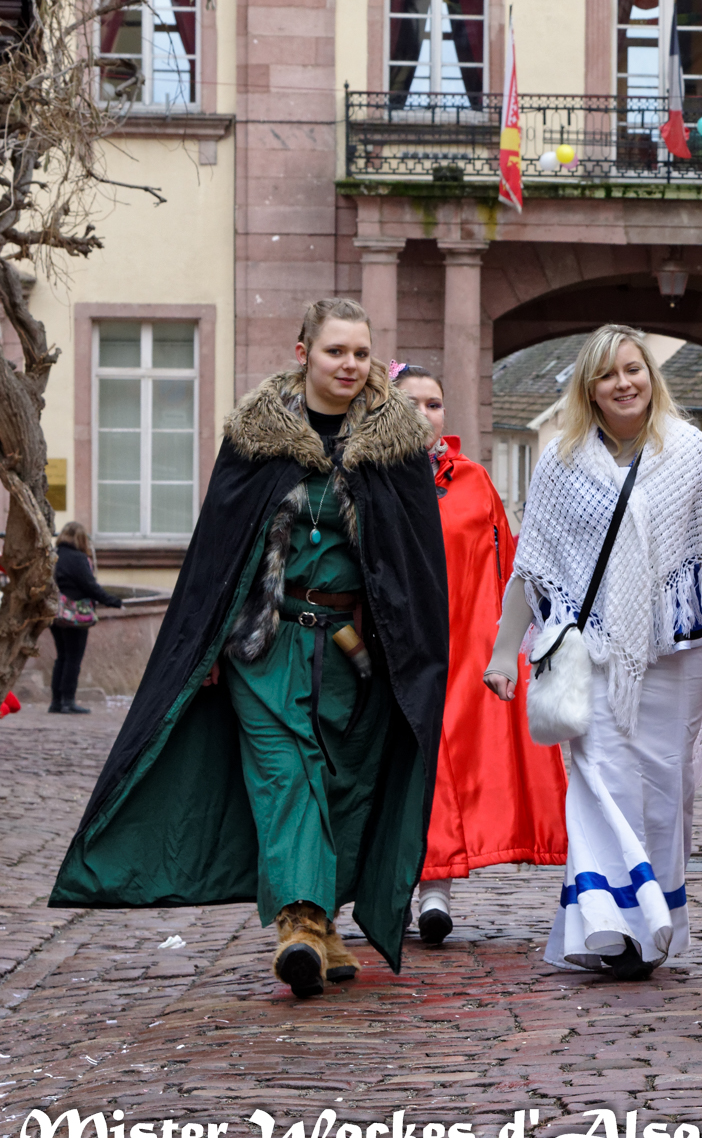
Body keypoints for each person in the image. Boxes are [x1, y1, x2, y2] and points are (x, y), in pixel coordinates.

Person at [51, 298, 448, 998]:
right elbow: (216, 552)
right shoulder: (255, 439)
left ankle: (322, 920)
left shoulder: (397, 445)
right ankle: (297, 922)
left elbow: (415, 561)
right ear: (304, 355)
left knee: (339, 782)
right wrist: (199, 651)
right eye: (335, 351)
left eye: (360, 352)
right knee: (283, 773)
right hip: (262, 645)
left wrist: (408, 649)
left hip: (355, 651)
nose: (349, 365)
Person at [484, 325, 702, 981]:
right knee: (598, 781)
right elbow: (534, 569)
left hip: (677, 653)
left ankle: (652, 923)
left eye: (634, 369)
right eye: (609, 374)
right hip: (595, 655)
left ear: (651, 377)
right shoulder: (562, 463)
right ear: (591, 386)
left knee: (665, 791)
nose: (624, 383)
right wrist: (505, 655)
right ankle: (607, 922)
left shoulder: (692, 451)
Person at [392, 365, 567, 946]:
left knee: (455, 767)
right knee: (397, 771)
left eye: (435, 404)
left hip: (466, 649)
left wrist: (513, 646)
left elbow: (511, 565)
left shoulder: (472, 481)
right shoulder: (368, 480)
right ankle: (389, 888)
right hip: (391, 650)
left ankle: (435, 890)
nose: (425, 414)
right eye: (411, 403)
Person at [50, 522, 124, 714]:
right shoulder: (78, 558)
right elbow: (91, 586)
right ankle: (68, 701)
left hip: (55, 613)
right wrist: (114, 601)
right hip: (76, 615)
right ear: (81, 538)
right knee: (73, 659)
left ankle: (56, 702)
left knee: (62, 657)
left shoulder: (54, 555)